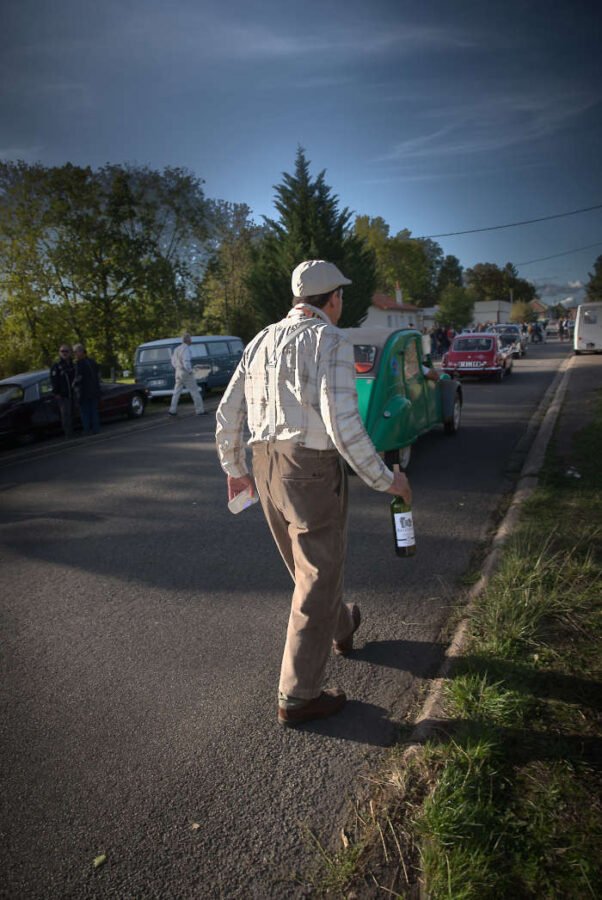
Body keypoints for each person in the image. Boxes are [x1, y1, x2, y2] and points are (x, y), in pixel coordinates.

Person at [215, 259, 411, 727]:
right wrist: (387, 478)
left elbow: (227, 412)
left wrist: (235, 466)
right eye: (341, 295)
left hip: (265, 467)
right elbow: (344, 425)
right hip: (309, 468)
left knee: (310, 569)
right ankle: (299, 696)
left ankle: (341, 625)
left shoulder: (260, 340)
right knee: (318, 573)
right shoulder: (331, 341)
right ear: (333, 300)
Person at [168, 333, 205, 417]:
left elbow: (173, 361)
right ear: (188, 340)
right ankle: (200, 410)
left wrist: (177, 367)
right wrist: (190, 371)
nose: (191, 340)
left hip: (178, 371)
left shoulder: (177, 349)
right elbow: (186, 361)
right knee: (194, 391)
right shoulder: (186, 349)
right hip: (185, 371)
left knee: (176, 392)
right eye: (190, 339)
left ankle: (172, 410)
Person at [72, 343, 101, 435]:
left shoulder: (79, 364)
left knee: (85, 412)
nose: (75, 354)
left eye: (75, 352)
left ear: (81, 352)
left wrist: (74, 384)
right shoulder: (92, 361)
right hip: (94, 391)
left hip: (84, 392)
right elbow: (97, 376)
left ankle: (87, 430)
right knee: (94, 411)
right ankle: (96, 429)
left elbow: (79, 378)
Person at [50, 343, 75, 437]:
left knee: (72, 413)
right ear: (59, 353)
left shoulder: (72, 364)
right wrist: (56, 393)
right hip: (63, 395)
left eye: (66, 351)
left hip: (73, 393)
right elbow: (53, 380)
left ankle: (73, 431)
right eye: (62, 351)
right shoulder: (56, 366)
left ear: (70, 353)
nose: (64, 353)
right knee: (65, 415)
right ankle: (68, 434)